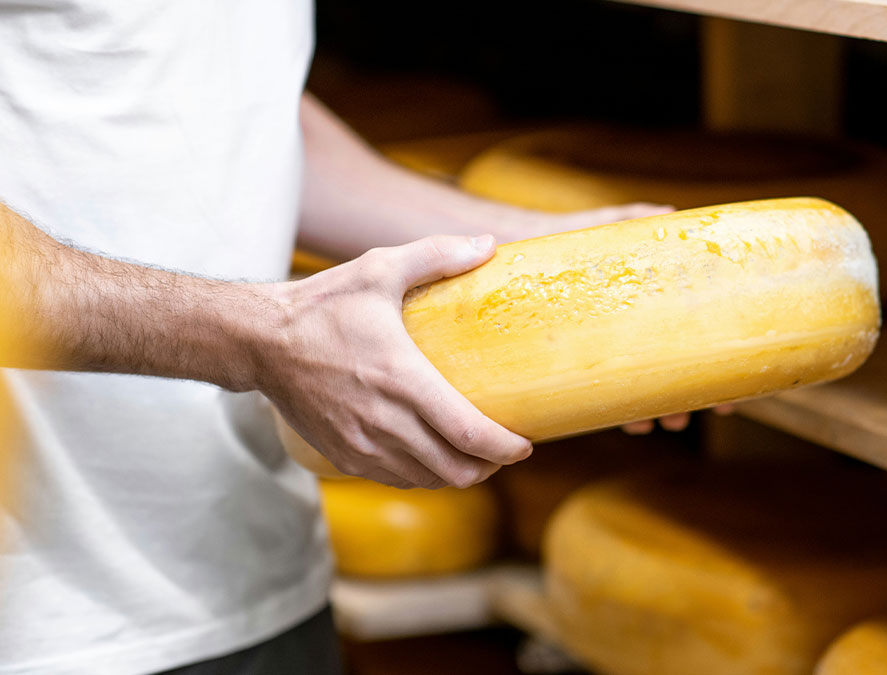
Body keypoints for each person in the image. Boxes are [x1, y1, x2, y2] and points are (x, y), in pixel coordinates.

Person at [0, 2, 679, 673]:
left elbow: (217, 98)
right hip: (45, 625)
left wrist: (530, 246)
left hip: (258, 568)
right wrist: (260, 338)